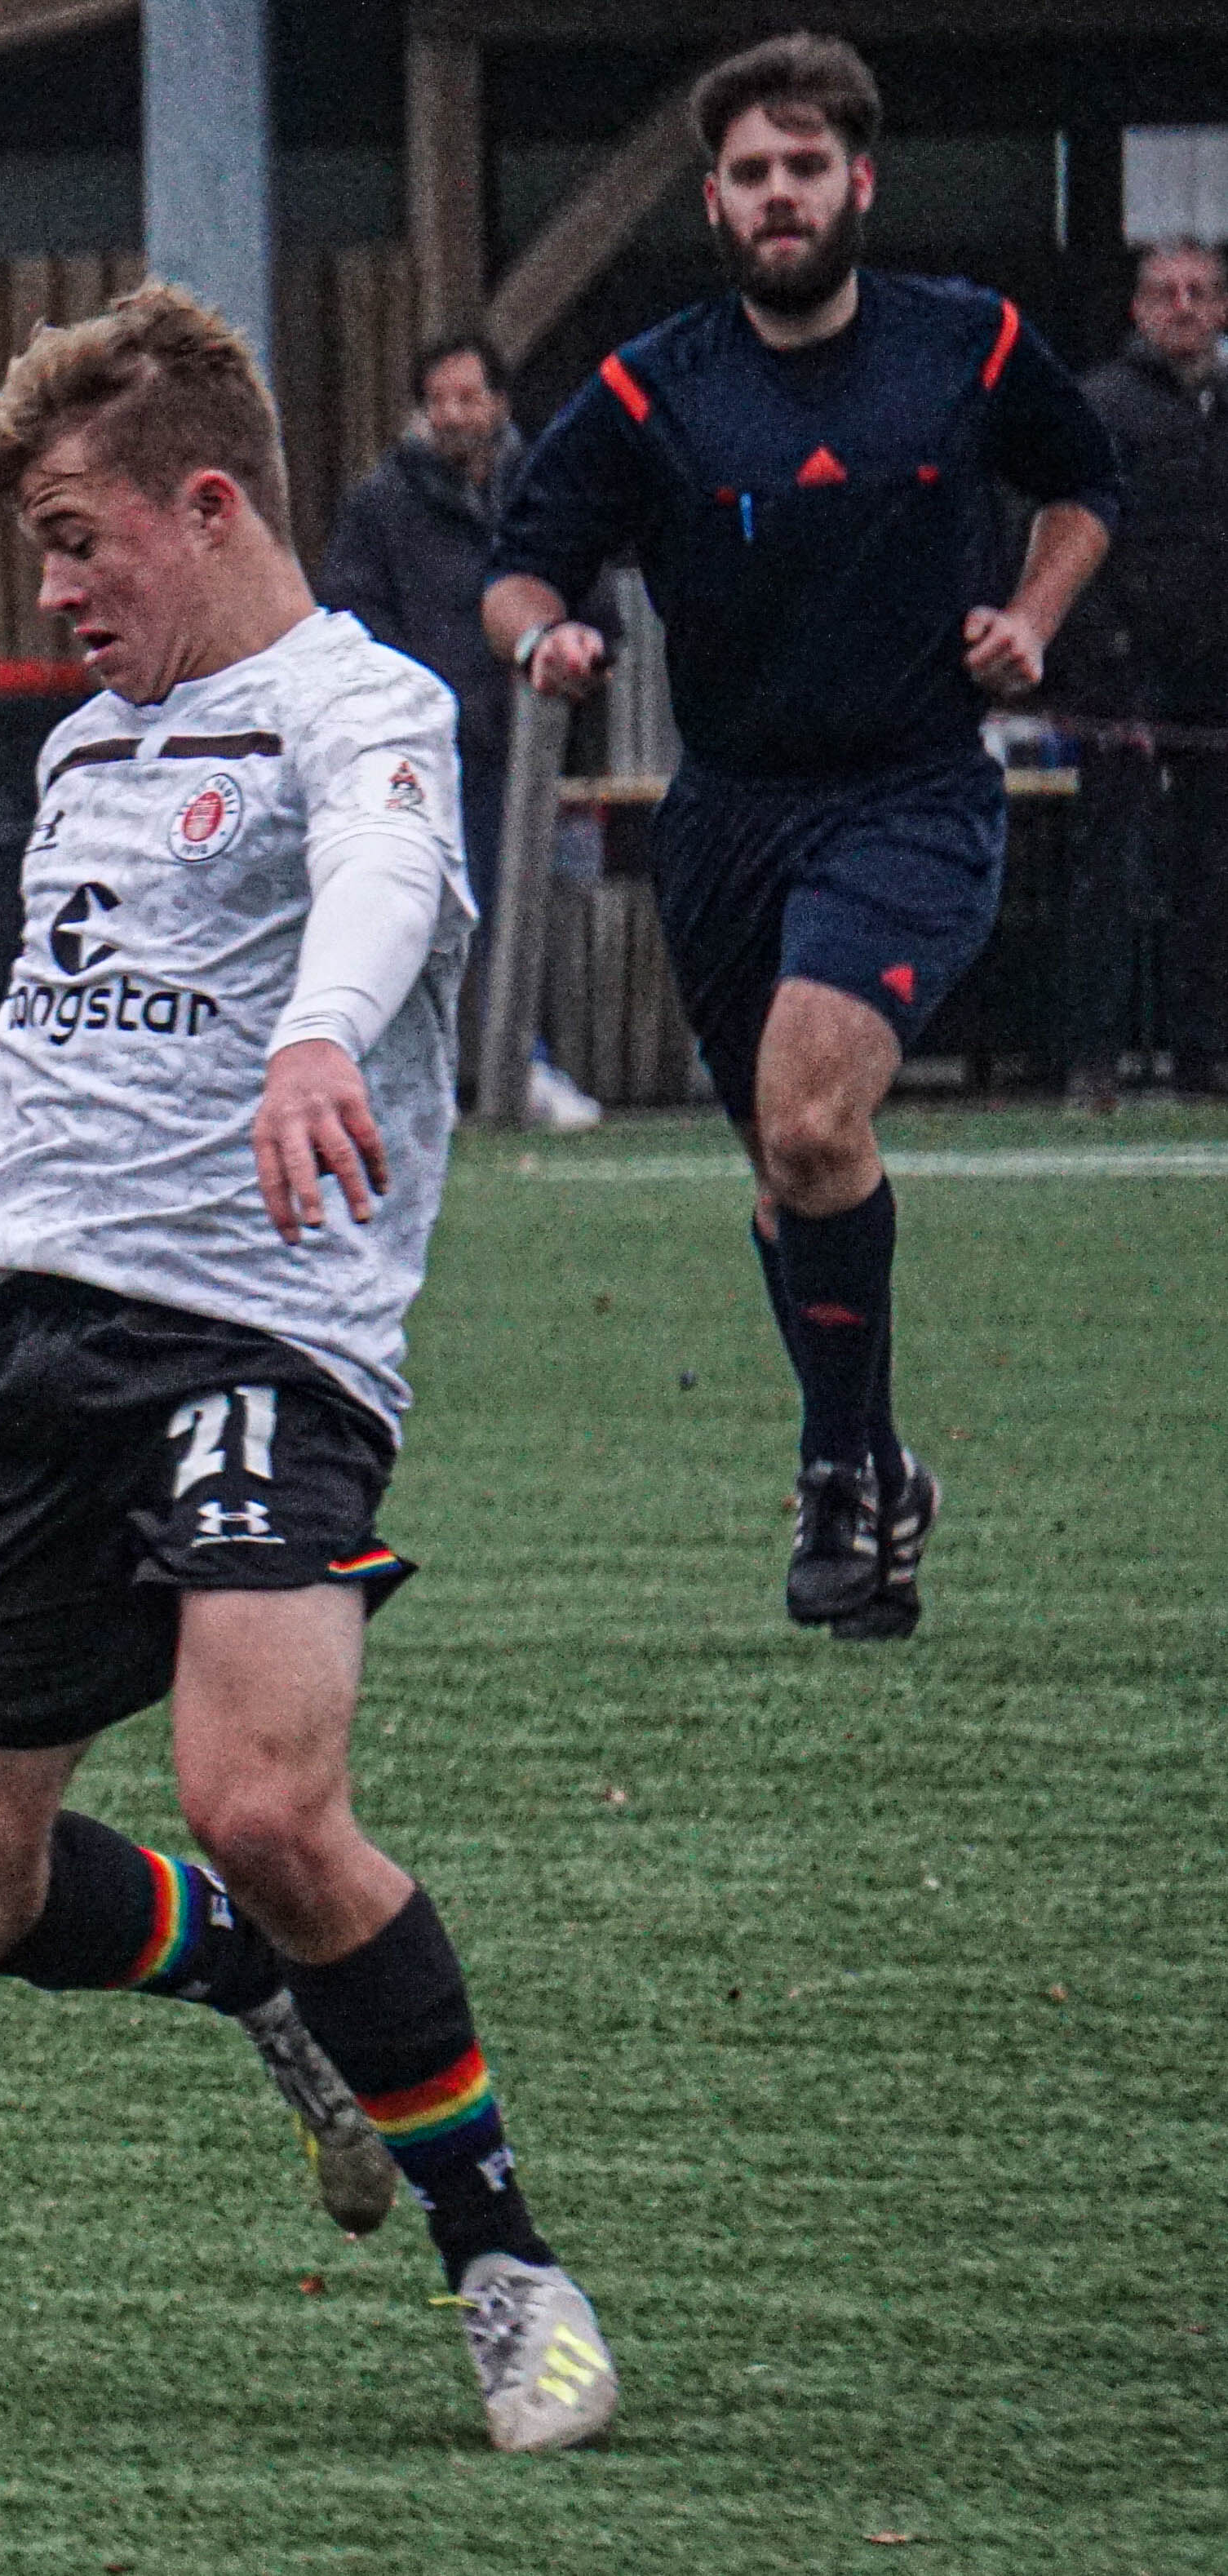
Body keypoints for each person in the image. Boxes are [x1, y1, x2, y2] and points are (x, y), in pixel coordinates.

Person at [0, 281, 619, 2456]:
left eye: (81, 541)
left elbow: (381, 869)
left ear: (205, 506)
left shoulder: (354, 701)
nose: (56, 590)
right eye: (37, 556)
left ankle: (508, 2267)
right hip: (16, 1335)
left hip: (256, 1330)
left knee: (260, 1791)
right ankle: (245, 1972)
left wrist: (308, 1030)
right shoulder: (86, 737)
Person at [486, 33, 1116, 1639]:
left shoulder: (965, 348)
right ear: (714, 201)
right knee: (785, 1173)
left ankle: (839, 1469)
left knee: (815, 1124)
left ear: (858, 183)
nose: (780, 196)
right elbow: (522, 560)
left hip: (908, 792)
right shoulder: (651, 385)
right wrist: (538, 640)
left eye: (805, 168)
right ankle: (875, 1467)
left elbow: (1081, 481)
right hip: (727, 818)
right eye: (752, 175)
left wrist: (1032, 616)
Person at [317, 331, 605, 1131]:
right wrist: (406, 695)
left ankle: (528, 1067)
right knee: (418, 914)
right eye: (437, 400)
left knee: (526, 909)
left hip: (526, 743)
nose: (451, 414)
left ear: (497, 404)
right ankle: (422, 1084)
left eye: (466, 398)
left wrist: (582, 660)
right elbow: (347, 613)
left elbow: (581, 589)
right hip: (417, 751)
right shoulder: (381, 502)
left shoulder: (541, 487)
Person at [1061, 239, 1228, 1102]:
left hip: (1214, 682)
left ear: (1222, 309)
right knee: (1110, 868)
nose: (1183, 308)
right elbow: (1069, 543)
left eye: (1200, 293)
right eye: (1165, 293)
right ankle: (1092, 1059)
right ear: (1136, 309)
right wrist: (1103, 668)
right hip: (1122, 678)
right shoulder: (1099, 407)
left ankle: (1204, 1056)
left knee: (1211, 870)